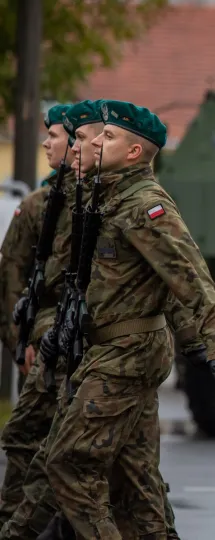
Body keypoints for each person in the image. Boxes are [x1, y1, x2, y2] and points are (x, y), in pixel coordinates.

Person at [6, 99, 215, 539]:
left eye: (108, 136)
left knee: (67, 461)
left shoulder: (145, 206)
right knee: (137, 481)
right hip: (106, 348)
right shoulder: (105, 199)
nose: (95, 143)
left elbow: (188, 275)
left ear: (134, 152)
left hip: (127, 352)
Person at [0, 103, 74, 527]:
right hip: (43, 347)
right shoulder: (36, 207)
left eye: (58, 135)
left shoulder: (110, 204)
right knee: (29, 448)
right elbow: (11, 280)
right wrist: (20, 343)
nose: (47, 142)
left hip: (94, 350)